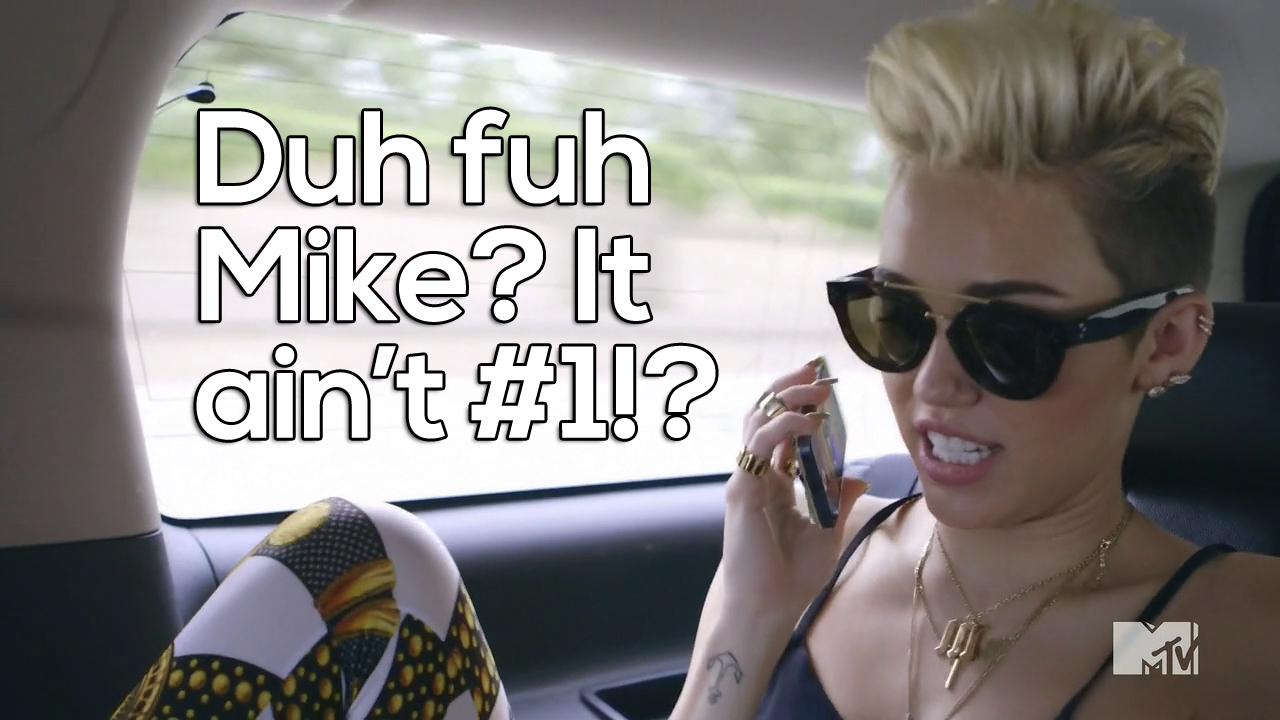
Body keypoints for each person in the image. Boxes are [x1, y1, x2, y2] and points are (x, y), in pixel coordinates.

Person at [112, 2, 1280, 719]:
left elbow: (1146, 658)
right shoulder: (829, 548)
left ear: (1165, 341)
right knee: (359, 551)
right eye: (893, 316)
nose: (930, 384)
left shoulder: (1192, 635)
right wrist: (750, 611)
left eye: (1007, 337)